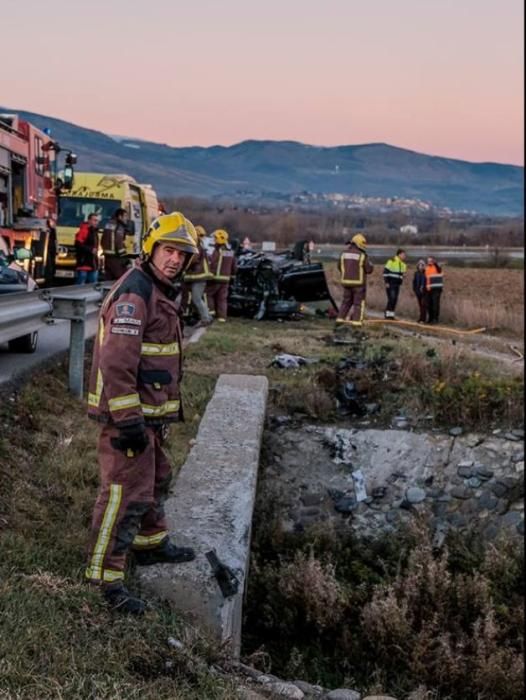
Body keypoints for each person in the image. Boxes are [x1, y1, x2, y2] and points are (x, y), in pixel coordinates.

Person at [85, 211, 199, 614]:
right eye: (169, 250)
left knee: (157, 477)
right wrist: (129, 419)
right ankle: (103, 579)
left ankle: (151, 545)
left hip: (149, 416)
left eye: (182, 254)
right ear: (152, 248)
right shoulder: (137, 293)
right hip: (128, 419)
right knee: (123, 496)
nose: (174, 260)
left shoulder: (159, 289)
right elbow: (116, 363)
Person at [335, 233, 374, 327]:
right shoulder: (362, 255)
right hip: (358, 285)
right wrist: (371, 264)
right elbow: (369, 270)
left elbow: (339, 266)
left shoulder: (343, 254)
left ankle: (339, 320)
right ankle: (357, 323)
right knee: (358, 304)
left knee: (345, 302)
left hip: (346, 283)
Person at [181, 224, 213, 325]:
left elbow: (192, 260)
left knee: (196, 298)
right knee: (197, 298)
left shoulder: (196, 247)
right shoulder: (200, 246)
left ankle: (206, 319)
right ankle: (206, 316)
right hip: (199, 277)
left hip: (198, 277)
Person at [206, 229, 237, 323]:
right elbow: (234, 266)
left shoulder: (217, 251)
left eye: (215, 238)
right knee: (222, 298)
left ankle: (211, 314)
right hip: (226, 279)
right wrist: (232, 275)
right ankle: (222, 318)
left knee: (208, 295)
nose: (214, 240)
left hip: (216, 278)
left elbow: (213, 264)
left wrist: (209, 273)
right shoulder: (230, 252)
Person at [101, 207, 130, 280]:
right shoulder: (119, 227)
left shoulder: (109, 224)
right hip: (116, 258)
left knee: (108, 279)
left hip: (107, 258)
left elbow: (103, 240)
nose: (126, 218)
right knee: (121, 279)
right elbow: (118, 242)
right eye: (125, 216)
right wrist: (125, 259)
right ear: (120, 216)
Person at [74, 213, 100, 284]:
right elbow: (77, 244)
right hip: (84, 263)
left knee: (92, 285)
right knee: (82, 286)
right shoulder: (84, 231)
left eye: (97, 221)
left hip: (92, 263)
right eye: (94, 220)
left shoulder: (94, 232)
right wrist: (91, 249)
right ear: (89, 221)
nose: (96, 222)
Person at [383, 248, 407, 319]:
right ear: (399, 254)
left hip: (397, 284)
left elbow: (401, 274)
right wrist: (386, 282)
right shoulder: (391, 261)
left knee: (395, 299)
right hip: (391, 283)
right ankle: (387, 314)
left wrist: (402, 278)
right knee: (392, 298)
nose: (404, 256)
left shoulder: (403, 264)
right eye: (403, 255)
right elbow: (385, 272)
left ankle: (391, 315)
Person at [424, 256, 444, 324]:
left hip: (436, 289)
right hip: (428, 289)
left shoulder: (437, 267)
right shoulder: (426, 268)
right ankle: (430, 319)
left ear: (433, 261)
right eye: (428, 260)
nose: (429, 262)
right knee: (429, 305)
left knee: (435, 305)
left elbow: (439, 271)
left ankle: (435, 319)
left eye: (431, 260)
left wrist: (436, 264)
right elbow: (425, 279)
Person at [412, 259, 427, 323]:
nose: (421, 266)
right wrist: (415, 290)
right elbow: (414, 282)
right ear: (418, 266)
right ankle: (420, 318)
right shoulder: (416, 273)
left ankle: (423, 319)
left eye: (422, 265)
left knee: (423, 305)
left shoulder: (426, 273)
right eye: (420, 265)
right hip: (418, 292)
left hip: (424, 292)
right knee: (420, 306)